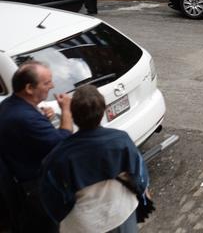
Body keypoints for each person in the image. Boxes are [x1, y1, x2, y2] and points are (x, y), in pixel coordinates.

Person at [40, 85, 150, 233]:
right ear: (103, 110)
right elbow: (138, 177)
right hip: (121, 212)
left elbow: (52, 199)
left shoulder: (58, 157)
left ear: (73, 114)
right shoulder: (120, 140)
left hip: (83, 224)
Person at [0, 61, 73, 233]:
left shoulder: (10, 105)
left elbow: (25, 136)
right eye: (47, 83)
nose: (52, 86)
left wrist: (43, 120)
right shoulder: (25, 117)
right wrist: (67, 110)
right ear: (29, 88)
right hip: (32, 192)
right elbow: (63, 142)